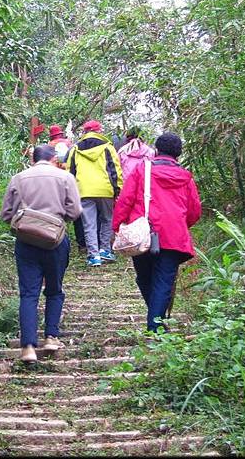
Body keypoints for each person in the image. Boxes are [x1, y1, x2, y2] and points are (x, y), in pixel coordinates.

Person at [112, 132, 202, 333]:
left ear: (157, 149)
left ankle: (155, 325)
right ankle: (156, 324)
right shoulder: (186, 177)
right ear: (178, 153)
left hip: (143, 233)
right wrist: (179, 224)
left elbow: (125, 200)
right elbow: (195, 211)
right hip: (174, 237)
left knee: (144, 278)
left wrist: (118, 227)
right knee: (163, 281)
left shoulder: (142, 171)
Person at [1, 144, 82, 363]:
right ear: (54, 158)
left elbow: (6, 214)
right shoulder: (65, 177)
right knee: (54, 290)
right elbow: (75, 212)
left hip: (26, 241)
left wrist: (26, 222)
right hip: (55, 241)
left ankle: (27, 348)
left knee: (28, 293)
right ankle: (51, 337)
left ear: (32, 159)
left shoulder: (18, 178)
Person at [66, 120, 123, 267]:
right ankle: (105, 249)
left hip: (83, 190)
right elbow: (115, 170)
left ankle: (93, 256)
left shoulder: (75, 149)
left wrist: (71, 192)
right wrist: (118, 189)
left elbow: (70, 172)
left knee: (88, 223)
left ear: (85, 132)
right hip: (105, 189)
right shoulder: (107, 147)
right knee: (107, 219)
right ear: (99, 131)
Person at [47, 124, 86, 252]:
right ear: (61, 134)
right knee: (76, 213)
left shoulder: (48, 146)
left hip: (53, 182)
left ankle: (56, 238)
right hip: (70, 180)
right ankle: (82, 243)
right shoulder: (69, 144)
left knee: (56, 212)